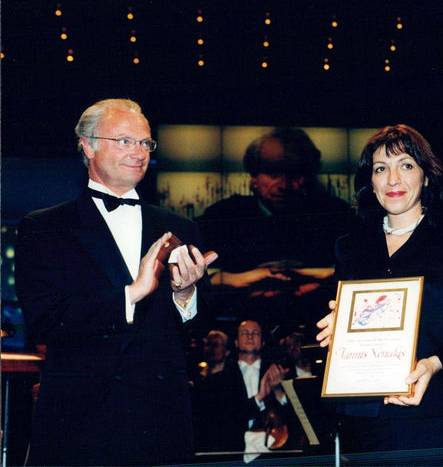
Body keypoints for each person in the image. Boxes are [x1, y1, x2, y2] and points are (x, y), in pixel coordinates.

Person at [15, 98, 218, 466]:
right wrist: (130, 294)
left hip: (161, 421)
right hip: (79, 423)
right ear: (87, 145)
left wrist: (186, 294)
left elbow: (200, 327)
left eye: (145, 143)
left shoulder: (180, 228)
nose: (138, 152)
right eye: (125, 141)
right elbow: (44, 319)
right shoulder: (44, 228)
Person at [316, 124, 443, 456]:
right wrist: (337, 329)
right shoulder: (350, 248)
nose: (393, 179)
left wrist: (434, 363)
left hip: (438, 420)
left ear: (426, 176)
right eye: (380, 168)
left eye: (406, 165)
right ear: (369, 182)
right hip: (363, 423)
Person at [196, 127, 353, 328]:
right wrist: (232, 279)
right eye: (272, 174)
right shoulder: (222, 216)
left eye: (295, 175)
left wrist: (317, 276)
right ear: (253, 177)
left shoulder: (336, 214)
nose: (283, 185)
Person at [192, 320, 302, 453]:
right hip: (234, 453)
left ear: (262, 342)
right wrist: (259, 397)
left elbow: (297, 418)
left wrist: (278, 390)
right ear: (236, 343)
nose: (250, 336)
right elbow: (221, 421)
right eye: (245, 333)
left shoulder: (280, 372)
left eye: (255, 333)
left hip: (274, 455)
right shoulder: (218, 379)